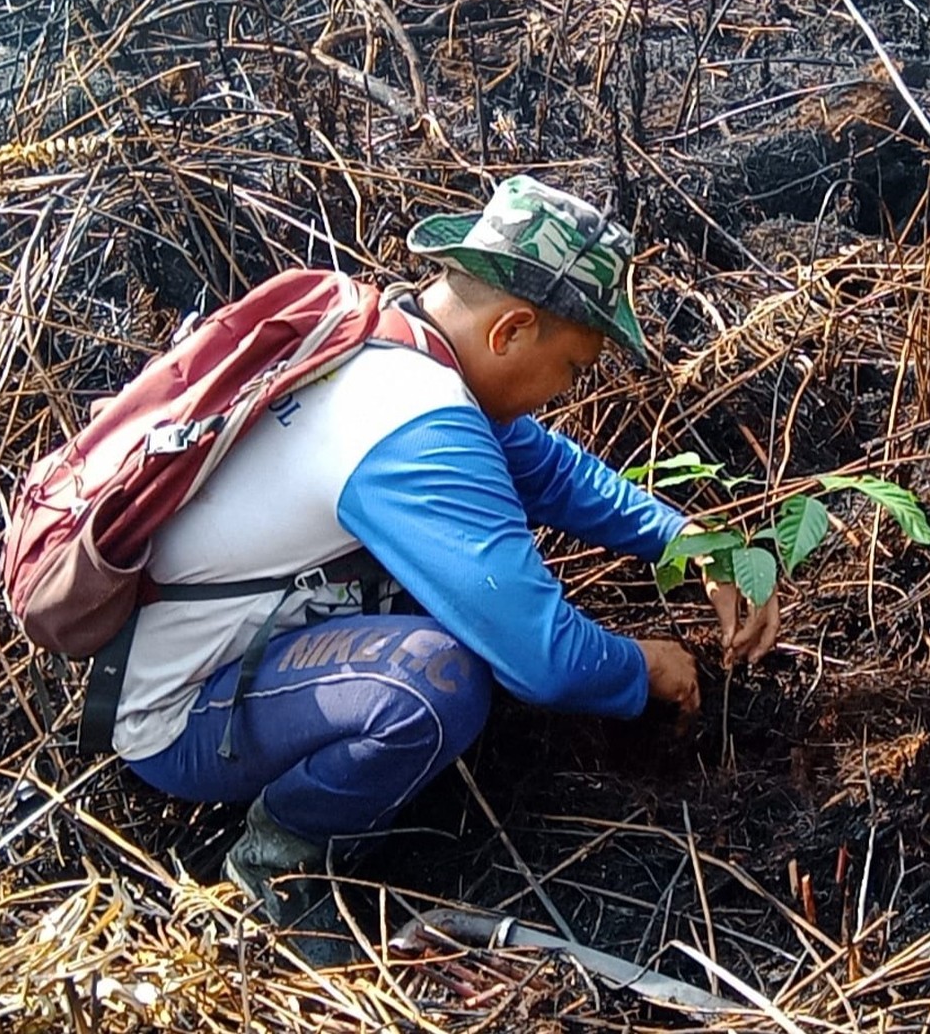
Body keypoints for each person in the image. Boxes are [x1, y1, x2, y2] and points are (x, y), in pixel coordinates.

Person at [120, 174, 780, 963]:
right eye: (572, 369)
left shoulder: (389, 345)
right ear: (511, 332)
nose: (564, 392)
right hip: (182, 711)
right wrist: (645, 669)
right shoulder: (414, 425)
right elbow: (545, 661)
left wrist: (691, 544)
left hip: (224, 649)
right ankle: (277, 868)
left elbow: (558, 476)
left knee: (463, 630)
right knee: (436, 679)